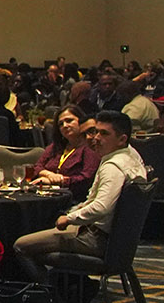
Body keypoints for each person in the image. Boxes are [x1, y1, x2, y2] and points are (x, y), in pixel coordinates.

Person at [13, 110, 147, 277]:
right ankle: (70, 288)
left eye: (104, 133)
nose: (96, 138)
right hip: (116, 242)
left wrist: (69, 218)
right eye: (95, 131)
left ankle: (51, 297)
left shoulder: (113, 167)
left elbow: (101, 207)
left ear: (122, 139)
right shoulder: (132, 156)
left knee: (21, 245)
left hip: (97, 239)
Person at [34, 106, 97, 195]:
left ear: (81, 121)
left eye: (69, 121)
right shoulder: (56, 146)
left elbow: (86, 178)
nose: (65, 126)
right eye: (60, 124)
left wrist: (60, 181)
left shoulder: (90, 147)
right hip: (47, 194)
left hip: (72, 197)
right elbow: (37, 166)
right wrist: (50, 175)